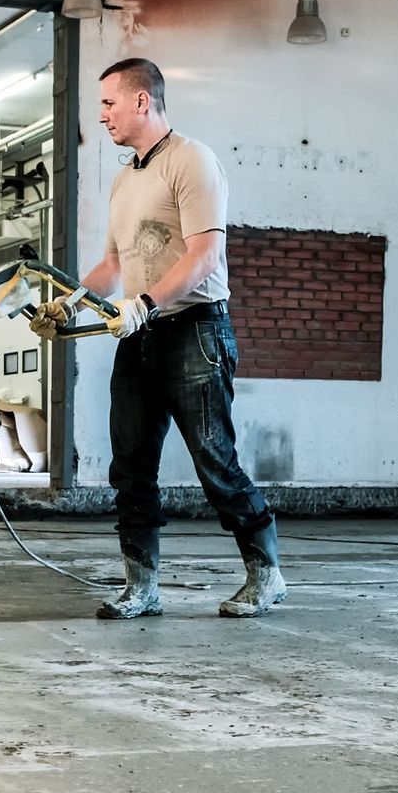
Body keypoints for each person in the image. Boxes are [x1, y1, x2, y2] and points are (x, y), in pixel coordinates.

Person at [32, 57, 285, 621]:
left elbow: (205, 255)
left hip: (194, 331)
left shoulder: (192, 161)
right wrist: (67, 304)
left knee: (216, 460)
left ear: (142, 101)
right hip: (140, 336)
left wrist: (145, 305)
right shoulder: (125, 179)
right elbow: (112, 265)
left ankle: (266, 576)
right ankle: (141, 588)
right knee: (131, 466)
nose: (102, 117)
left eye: (108, 104)